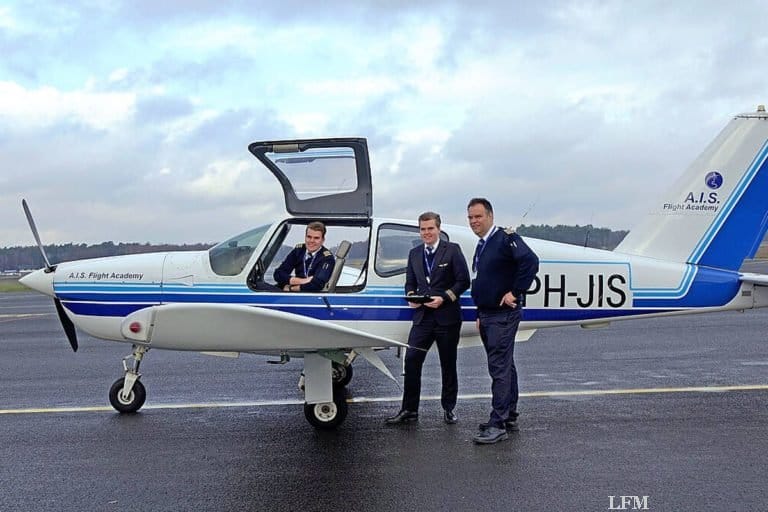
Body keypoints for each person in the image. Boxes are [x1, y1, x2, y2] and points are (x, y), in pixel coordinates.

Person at [385, 212, 470, 425]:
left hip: (447, 318)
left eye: (430, 229)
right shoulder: (414, 254)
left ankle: (449, 409)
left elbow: (463, 281)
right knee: (412, 360)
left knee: (448, 364)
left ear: (438, 229)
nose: (426, 233)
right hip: (423, 318)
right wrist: (412, 297)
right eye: (423, 229)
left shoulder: (452, 250)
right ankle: (409, 410)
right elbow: (409, 283)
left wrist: (444, 298)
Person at [467, 198, 539, 445]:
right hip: (487, 314)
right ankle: (509, 414)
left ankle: (497, 423)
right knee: (505, 365)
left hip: (502, 315)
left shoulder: (506, 238)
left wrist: (515, 291)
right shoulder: (482, 245)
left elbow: (531, 261)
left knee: (498, 367)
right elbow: (483, 280)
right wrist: (479, 313)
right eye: (470, 218)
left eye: (478, 216)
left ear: (490, 216)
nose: (474, 221)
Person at [273, 222, 335, 292]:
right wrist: (303, 281)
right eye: (309, 237)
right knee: (260, 286)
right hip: (291, 292)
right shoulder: (298, 251)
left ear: (322, 240)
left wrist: (291, 288)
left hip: (307, 296)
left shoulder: (327, 258)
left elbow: (317, 285)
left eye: (316, 238)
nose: (312, 241)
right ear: (305, 237)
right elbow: (278, 274)